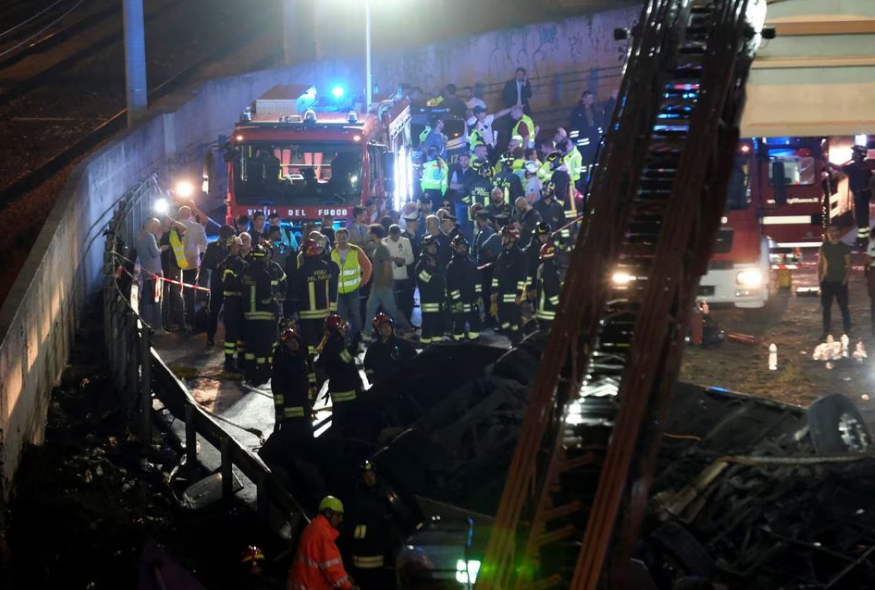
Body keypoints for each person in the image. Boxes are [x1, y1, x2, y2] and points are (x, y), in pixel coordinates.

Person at [345, 462, 401, 590]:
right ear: (362, 480)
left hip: (379, 559)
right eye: (366, 476)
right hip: (367, 559)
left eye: (372, 475)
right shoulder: (360, 500)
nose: (370, 478)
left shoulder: (382, 497)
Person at [287, 496, 358, 590]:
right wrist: (347, 586)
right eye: (338, 515)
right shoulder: (323, 534)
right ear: (328, 513)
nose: (341, 519)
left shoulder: (314, 527)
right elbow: (331, 566)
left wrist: (345, 577)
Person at [365, 225, 413, 334]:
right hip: (377, 285)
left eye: (369, 232)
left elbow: (386, 266)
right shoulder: (379, 246)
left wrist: (384, 283)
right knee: (370, 307)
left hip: (382, 286)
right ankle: (366, 333)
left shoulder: (382, 248)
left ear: (374, 234)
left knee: (391, 310)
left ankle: (408, 329)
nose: (368, 234)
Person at [271, 327, 317, 438]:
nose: (295, 344)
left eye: (295, 341)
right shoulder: (282, 363)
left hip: (304, 408)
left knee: (307, 435)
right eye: (291, 342)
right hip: (290, 412)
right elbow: (277, 388)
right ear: (285, 345)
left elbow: (309, 374)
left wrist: (312, 388)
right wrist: (279, 410)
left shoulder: (300, 358)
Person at [241, 244, 277, 385]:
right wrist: (273, 302)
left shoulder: (245, 273)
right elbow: (266, 298)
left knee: (250, 347)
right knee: (264, 347)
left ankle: (249, 372)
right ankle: (263, 373)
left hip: (249, 316)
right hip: (263, 316)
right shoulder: (264, 275)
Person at [331, 228, 373, 344]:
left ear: (348, 238)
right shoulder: (332, 253)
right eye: (339, 238)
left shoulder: (356, 250)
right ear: (336, 239)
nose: (342, 240)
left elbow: (368, 267)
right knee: (341, 317)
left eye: (344, 238)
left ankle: (356, 339)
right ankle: (343, 340)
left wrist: (363, 282)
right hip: (338, 292)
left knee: (355, 315)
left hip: (353, 289)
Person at [291, 239, 334, 353]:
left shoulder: (302, 270)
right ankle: (322, 362)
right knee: (322, 339)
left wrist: (295, 307)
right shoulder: (326, 266)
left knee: (309, 340)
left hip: (307, 313)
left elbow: (296, 291)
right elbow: (332, 287)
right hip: (324, 311)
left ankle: (310, 362)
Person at [827, 145, 875, 244]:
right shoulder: (864, 165)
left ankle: (861, 239)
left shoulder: (855, 166)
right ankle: (864, 238)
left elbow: (840, 168)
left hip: (860, 195)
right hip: (865, 194)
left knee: (860, 217)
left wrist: (827, 163)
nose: (852, 154)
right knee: (864, 216)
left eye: (854, 153)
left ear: (858, 155)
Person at [492, 226, 528, 345]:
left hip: (514, 297)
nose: (503, 239)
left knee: (515, 324)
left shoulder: (520, 255)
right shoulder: (502, 255)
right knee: (503, 322)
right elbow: (496, 277)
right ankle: (514, 339)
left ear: (512, 238)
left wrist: (519, 295)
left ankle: (517, 343)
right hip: (502, 296)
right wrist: (494, 292)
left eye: (505, 236)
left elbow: (522, 278)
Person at [202, 225, 237, 347]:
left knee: (231, 312)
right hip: (217, 283)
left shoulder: (233, 246)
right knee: (213, 311)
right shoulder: (212, 246)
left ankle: (231, 338)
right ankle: (210, 337)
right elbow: (206, 262)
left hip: (231, 283)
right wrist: (218, 264)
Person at [817, 224, 852, 340]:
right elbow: (820, 263)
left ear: (838, 232)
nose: (833, 234)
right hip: (827, 282)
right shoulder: (824, 247)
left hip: (840, 282)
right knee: (826, 308)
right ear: (827, 234)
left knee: (843, 307)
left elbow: (848, 264)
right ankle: (826, 331)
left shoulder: (844, 247)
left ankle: (847, 330)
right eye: (830, 232)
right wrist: (820, 278)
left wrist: (845, 279)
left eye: (835, 231)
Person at [445, 236, 482, 341]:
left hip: (472, 303)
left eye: (463, 247)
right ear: (454, 249)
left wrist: (478, 295)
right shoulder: (451, 266)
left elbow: (478, 282)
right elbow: (451, 286)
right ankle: (458, 344)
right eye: (459, 247)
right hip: (459, 304)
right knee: (459, 327)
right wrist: (457, 301)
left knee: (475, 326)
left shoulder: (472, 264)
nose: (462, 249)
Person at [363, 313, 417, 384]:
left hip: (402, 383)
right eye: (383, 327)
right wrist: (372, 378)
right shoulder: (373, 348)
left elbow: (414, 359)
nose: (386, 328)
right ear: (378, 330)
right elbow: (368, 365)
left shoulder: (402, 344)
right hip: (383, 385)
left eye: (388, 326)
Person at [219, 236, 247, 372]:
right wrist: (242, 278)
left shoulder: (243, 263)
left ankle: (241, 359)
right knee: (231, 331)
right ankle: (229, 360)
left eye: (238, 246)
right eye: (233, 246)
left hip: (242, 302)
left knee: (242, 331)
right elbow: (230, 282)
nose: (236, 248)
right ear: (229, 248)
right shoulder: (225, 264)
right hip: (231, 302)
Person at [135, 218, 166, 332]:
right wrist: (161, 248)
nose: (157, 230)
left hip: (144, 272)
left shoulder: (139, 235)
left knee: (146, 300)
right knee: (156, 300)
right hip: (154, 273)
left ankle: (145, 325)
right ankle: (157, 327)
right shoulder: (150, 237)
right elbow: (155, 253)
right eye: (157, 227)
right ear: (153, 226)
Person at [416, 235, 446, 344]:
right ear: (425, 249)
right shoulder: (422, 263)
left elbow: (442, 279)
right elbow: (423, 279)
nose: (433, 249)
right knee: (428, 324)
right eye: (430, 247)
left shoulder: (438, 261)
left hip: (439, 299)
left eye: (434, 246)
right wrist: (430, 268)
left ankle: (438, 342)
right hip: (429, 300)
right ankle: (425, 343)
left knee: (439, 323)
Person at [536, 242, 561, 334]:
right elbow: (552, 292)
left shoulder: (542, 267)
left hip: (542, 311)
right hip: (549, 312)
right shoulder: (549, 269)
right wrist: (559, 306)